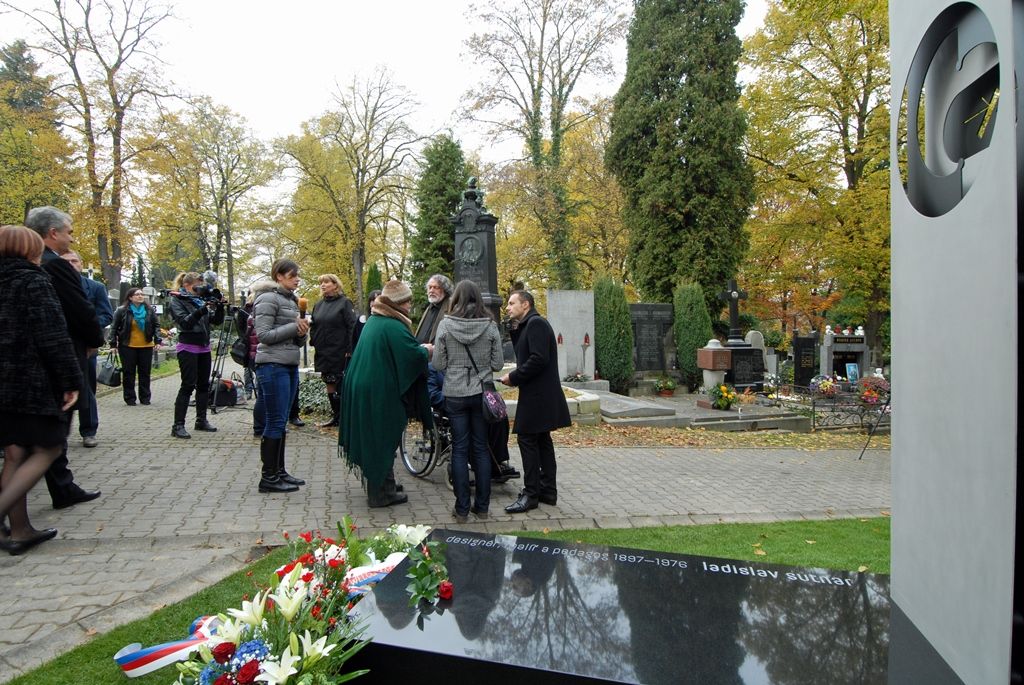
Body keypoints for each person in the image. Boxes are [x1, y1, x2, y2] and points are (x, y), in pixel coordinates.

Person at [0, 226, 82, 554]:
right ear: (30, 250)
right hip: (29, 380)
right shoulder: (33, 281)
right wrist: (71, 380)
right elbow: (52, 335)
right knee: (49, 447)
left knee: (15, 453)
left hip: (4, 383)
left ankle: (20, 530)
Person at [24, 207, 103, 510]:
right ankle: (56, 489)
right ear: (53, 232)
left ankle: (62, 486)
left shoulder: (27, 264)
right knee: (53, 432)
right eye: (69, 232)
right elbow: (79, 309)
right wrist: (94, 341)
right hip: (62, 353)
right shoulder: (54, 266)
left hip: (26, 363)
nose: (71, 238)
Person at [339, 279, 431, 507]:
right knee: (382, 438)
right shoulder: (391, 325)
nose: (409, 305)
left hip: (364, 386)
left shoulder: (376, 320)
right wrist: (426, 351)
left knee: (376, 438)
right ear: (396, 303)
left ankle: (384, 483)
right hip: (377, 391)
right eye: (406, 301)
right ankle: (381, 494)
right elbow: (410, 356)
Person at [432, 280, 503, 522]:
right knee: (481, 448)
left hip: (455, 393)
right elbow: (498, 364)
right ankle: (482, 507)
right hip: (481, 393)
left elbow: (438, 364)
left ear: (456, 299)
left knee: (460, 449)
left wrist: (454, 365)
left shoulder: (445, 325)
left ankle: (462, 509)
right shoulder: (490, 326)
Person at [499, 290, 571, 514]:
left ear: (526, 304)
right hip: (540, 394)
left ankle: (531, 494)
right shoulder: (529, 325)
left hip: (538, 395)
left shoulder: (536, 323)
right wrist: (514, 330)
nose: (507, 307)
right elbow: (525, 354)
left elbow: (538, 359)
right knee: (541, 440)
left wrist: (513, 377)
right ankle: (547, 490)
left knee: (527, 439)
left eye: (512, 303)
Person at [252, 259, 308, 493]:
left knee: (281, 420)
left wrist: (302, 332)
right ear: (279, 276)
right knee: (275, 420)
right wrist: (294, 327)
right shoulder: (267, 298)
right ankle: (269, 478)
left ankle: (279, 471)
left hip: (288, 364)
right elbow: (263, 335)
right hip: (272, 365)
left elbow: (296, 340)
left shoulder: (292, 300)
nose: (297, 279)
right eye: (292, 275)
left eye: (297, 275)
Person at [61, 250, 113, 447]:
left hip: (85, 346)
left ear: (81, 264)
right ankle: (58, 433)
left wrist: (87, 329)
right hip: (60, 345)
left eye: (74, 261)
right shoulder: (51, 285)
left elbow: (106, 315)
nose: (71, 264)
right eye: (66, 262)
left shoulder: (95, 287)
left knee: (87, 388)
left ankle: (89, 431)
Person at [168, 271, 225, 439]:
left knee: (203, 385)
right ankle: (178, 425)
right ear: (186, 285)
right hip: (187, 347)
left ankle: (201, 420)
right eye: (196, 287)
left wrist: (219, 306)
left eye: (201, 286)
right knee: (188, 385)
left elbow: (216, 321)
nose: (200, 289)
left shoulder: (200, 300)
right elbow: (185, 323)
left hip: (204, 347)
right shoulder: (177, 300)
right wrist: (202, 309)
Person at [309, 274, 356, 428]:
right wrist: (313, 340)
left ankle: (346, 418)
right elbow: (314, 325)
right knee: (328, 381)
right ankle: (336, 416)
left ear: (335, 285)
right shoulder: (318, 304)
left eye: (326, 282)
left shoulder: (345, 303)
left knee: (340, 383)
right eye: (321, 282)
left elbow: (352, 326)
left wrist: (350, 348)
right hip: (323, 351)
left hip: (340, 350)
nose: (323, 285)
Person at [109, 287, 159, 406]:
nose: (140, 296)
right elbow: (114, 327)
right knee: (128, 373)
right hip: (127, 346)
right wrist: (113, 344)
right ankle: (130, 397)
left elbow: (156, 325)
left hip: (146, 345)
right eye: (137, 294)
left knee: (145, 373)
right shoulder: (122, 310)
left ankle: (145, 397)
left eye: (141, 294)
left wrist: (158, 341)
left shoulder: (149, 310)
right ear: (130, 297)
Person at [414, 274, 453, 344]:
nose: (431, 291)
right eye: (430, 287)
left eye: (436, 287)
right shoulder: (429, 308)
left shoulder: (451, 308)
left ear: (445, 290)